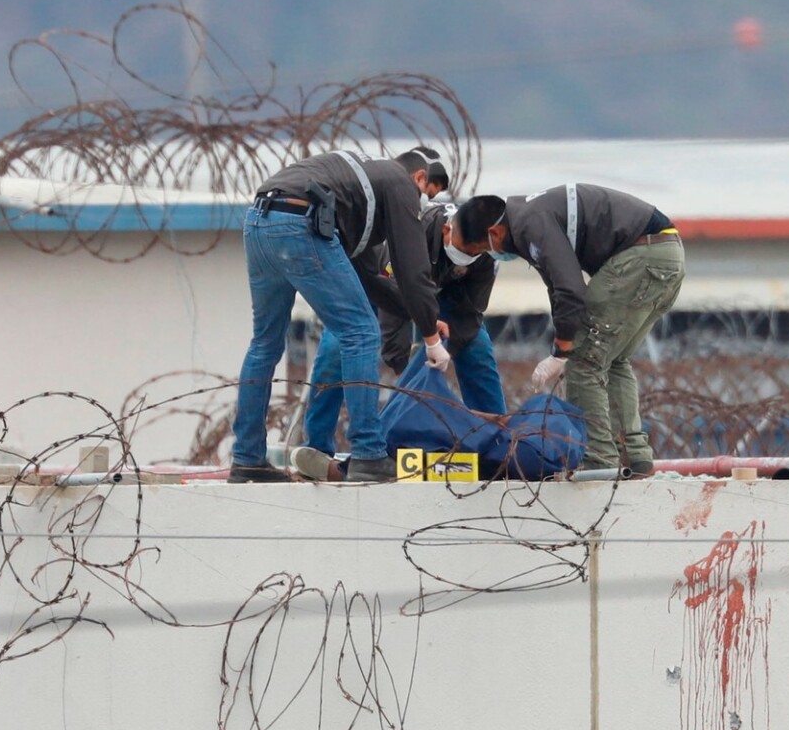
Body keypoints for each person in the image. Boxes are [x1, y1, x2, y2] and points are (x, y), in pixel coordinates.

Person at [228, 148, 451, 484]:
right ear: (419, 177)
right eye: (425, 194)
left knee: (265, 343)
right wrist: (432, 341)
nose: (420, 204)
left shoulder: (356, 194)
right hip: (301, 222)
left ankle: (247, 459)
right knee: (361, 334)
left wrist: (422, 317)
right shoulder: (399, 183)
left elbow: (369, 280)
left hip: (260, 222)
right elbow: (411, 267)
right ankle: (368, 453)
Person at [446, 185, 685, 476]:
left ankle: (598, 460)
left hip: (640, 257)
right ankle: (635, 456)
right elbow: (558, 289)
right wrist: (561, 345)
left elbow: (571, 290)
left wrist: (561, 352)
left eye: (481, 250)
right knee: (612, 360)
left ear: (494, 234)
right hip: (665, 254)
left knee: (584, 362)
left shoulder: (531, 224)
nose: (488, 256)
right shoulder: (528, 219)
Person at [298, 199, 507, 463]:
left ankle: (496, 446)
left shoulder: (487, 255)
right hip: (378, 284)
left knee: (477, 346)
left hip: (437, 293)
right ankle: (317, 447)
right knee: (337, 344)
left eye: (476, 251)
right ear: (447, 230)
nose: (469, 255)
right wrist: (405, 371)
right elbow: (391, 305)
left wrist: (439, 354)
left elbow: (470, 314)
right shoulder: (414, 232)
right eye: (464, 249)